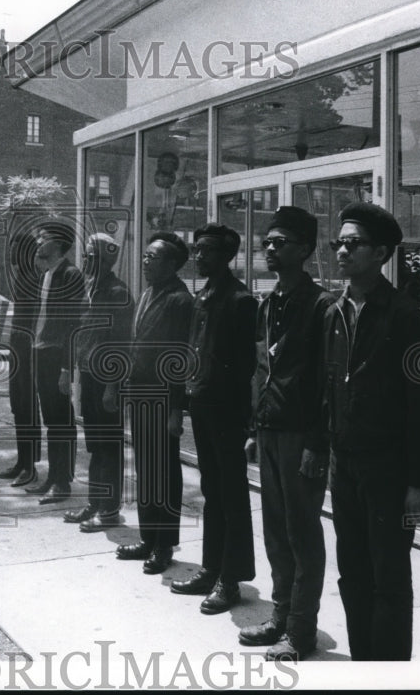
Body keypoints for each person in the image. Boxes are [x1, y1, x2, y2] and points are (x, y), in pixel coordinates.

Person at [324, 202, 420, 661]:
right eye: (339, 243)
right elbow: (328, 389)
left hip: (388, 471)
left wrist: (418, 483)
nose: (342, 251)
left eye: (354, 244)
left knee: (389, 577)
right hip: (344, 465)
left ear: (382, 253)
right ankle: (362, 663)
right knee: (352, 572)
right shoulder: (335, 312)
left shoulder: (407, 317)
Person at [236, 207, 335, 661]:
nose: (270, 249)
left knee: (302, 533)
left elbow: (326, 381)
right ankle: (281, 614)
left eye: (281, 243)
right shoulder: (271, 302)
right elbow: (264, 369)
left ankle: (301, 631)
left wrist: (318, 442)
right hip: (273, 430)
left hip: (302, 436)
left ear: (307, 250)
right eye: (268, 242)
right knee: (275, 531)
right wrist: (256, 427)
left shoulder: (322, 306)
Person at [170, 224, 257, 610]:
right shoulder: (202, 296)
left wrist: (248, 425)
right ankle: (212, 567)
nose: (198, 257)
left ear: (226, 256)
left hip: (228, 412)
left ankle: (231, 578)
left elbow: (248, 368)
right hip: (202, 405)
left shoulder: (240, 300)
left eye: (206, 251)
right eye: (197, 250)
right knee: (212, 492)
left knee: (231, 494)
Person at [116, 232, 193, 574]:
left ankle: (164, 545)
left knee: (164, 473)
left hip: (164, 398)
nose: (146, 261)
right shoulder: (148, 293)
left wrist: (176, 408)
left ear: (173, 264)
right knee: (146, 470)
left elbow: (179, 358)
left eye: (154, 257)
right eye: (145, 256)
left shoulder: (180, 300)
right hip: (141, 394)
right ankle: (149, 537)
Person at [64, 232, 133, 531]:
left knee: (109, 446)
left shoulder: (118, 293)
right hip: (89, 376)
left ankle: (109, 510)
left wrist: (112, 387)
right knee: (95, 445)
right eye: (85, 256)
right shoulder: (90, 289)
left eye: (90, 257)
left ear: (105, 260)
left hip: (107, 381)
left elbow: (121, 344)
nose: (85, 261)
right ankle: (96, 502)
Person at [26, 221, 86, 504]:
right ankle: (53, 476)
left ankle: (62, 482)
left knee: (61, 421)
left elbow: (74, 325)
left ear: (59, 243)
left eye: (44, 238)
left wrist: (66, 368)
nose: (39, 242)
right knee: (51, 420)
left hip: (56, 356)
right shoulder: (47, 274)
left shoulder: (70, 274)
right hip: (41, 352)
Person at [0, 231, 42, 484]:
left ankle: (29, 465)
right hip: (17, 349)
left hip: (27, 351)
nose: (10, 253)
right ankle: (23, 461)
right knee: (18, 406)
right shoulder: (23, 277)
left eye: (14, 248)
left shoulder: (34, 278)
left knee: (26, 407)